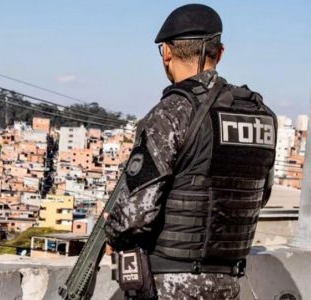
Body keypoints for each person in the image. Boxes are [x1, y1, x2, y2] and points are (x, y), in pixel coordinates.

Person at [104, 3, 277, 300]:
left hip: (168, 285)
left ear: (167, 52)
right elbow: (260, 196)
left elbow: (134, 215)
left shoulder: (172, 112)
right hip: (228, 284)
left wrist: (114, 230)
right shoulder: (261, 116)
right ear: (219, 53)